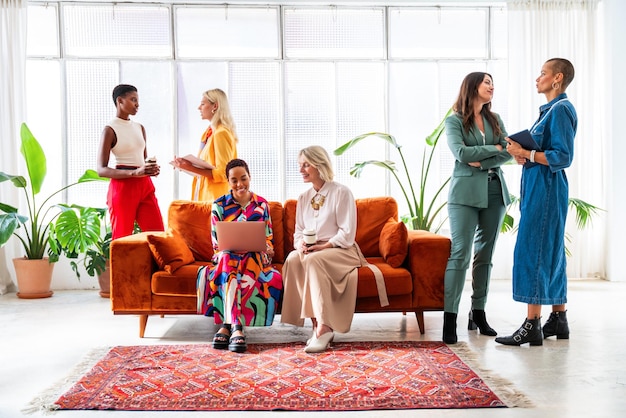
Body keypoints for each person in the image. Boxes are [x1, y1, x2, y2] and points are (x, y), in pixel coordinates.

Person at [496, 58, 577, 346]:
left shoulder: (561, 109)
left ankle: (533, 324)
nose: (537, 78)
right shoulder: (549, 111)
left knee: (535, 248)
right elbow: (544, 151)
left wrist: (527, 154)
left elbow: (563, 156)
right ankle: (559, 318)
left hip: (546, 188)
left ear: (557, 78)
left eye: (542, 73)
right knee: (550, 249)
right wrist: (523, 154)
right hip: (540, 185)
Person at [442, 72, 512, 344]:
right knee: (460, 254)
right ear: (472, 87)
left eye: (493, 82)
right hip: (464, 195)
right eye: (487, 82)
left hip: (495, 191)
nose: (492, 86)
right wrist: (493, 149)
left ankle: (478, 312)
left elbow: (509, 150)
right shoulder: (454, 120)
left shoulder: (495, 119)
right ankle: (450, 318)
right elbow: (460, 153)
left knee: (485, 255)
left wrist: (484, 160)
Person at [280, 145, 363, 353]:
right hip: (314, 251)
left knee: (313, 259)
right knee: (292, 258)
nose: (301, 170)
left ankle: (325, 328)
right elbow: (298, 232)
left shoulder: (342, 192)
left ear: (319, 164)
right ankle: (315, 324)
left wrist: (324, 246)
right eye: (300, 165)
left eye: (306, 165)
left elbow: (347, 233)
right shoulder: (303, 198)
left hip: (341, 251)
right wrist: (300, 244)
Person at [196, 158, 282, 353]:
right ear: (228, 182)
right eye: (234, 180)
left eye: (243, 178)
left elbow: (269, 239)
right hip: (227, 258)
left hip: (256, 256)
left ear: (249, 177)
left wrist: (267, 247)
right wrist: (228, 250)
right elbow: (217, 244)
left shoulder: (262, 205)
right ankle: (236, 327)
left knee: (248, 257)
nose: (239, 184)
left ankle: (227, 326)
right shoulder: (219, 206)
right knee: (227, 258)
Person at [97, 84, 164, 239]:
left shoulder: (140, 128)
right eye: (133, 99)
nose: (137, 104)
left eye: (137, 100)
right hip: (123, 187)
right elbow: (101, 169)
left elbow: (143, 159)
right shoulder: (110, 129)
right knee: (122, 238)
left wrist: (151, 169)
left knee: (158, 236)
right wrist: (134, 172)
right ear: (120, 101)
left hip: (145, 185)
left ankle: (159, 265)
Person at [171, 88, 238, 202]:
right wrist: (185, 165)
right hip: (204, 195)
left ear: (215, 106)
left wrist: (190, 167)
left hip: (216, 199)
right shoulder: (208, 133)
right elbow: (206, 168)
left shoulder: (221, 133)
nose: (199, 108)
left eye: (202, 104)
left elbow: (223, 173)